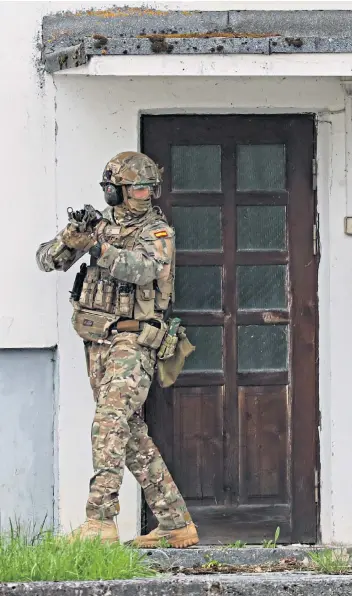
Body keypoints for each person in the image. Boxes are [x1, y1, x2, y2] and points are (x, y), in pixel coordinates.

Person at [36, 151, 198, 548]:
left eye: (149, 188)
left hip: (134, 341)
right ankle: (175, 523)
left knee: (109, 421)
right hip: (98, 341)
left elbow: (145, 270)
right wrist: (72, 237)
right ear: (115, 191)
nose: (145, 195)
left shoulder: (158, 231)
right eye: (137, 188)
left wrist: (100, 249)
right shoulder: (101, 227)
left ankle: (100, 522)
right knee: (129, 434)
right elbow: (47, 261)